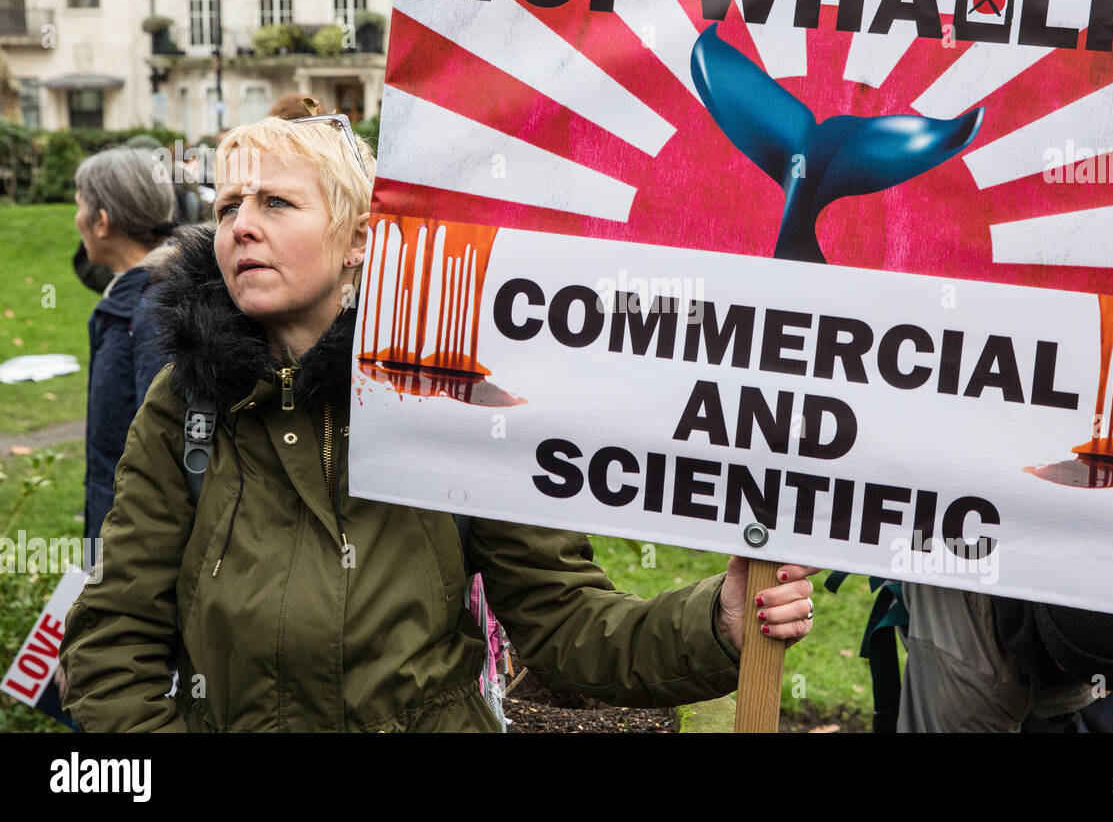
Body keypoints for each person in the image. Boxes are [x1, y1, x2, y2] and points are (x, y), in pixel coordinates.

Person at [59, 115, 819, 732]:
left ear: (360, 239)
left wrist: (715, 624)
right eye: (228, 208)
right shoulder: (184, 405)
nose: (242, 228)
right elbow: (113, 642)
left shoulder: (454, 397)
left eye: (277, 204)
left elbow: (563, 622)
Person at [73, 148, 177, 545]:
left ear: (101, 222)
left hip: (134, 546)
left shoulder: (152, 308)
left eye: (79, 207)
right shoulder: (138, 295)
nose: (76, 220)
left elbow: (161, 456)